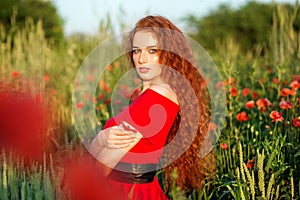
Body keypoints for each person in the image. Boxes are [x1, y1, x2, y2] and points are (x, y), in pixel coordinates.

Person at [90, 15, 215, 200]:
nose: (141, 59)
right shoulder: (153, 95)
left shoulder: (154, 100)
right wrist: (101, 140)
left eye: (152, 50)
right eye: (136, 51)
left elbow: (100, 169)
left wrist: (99, 142)